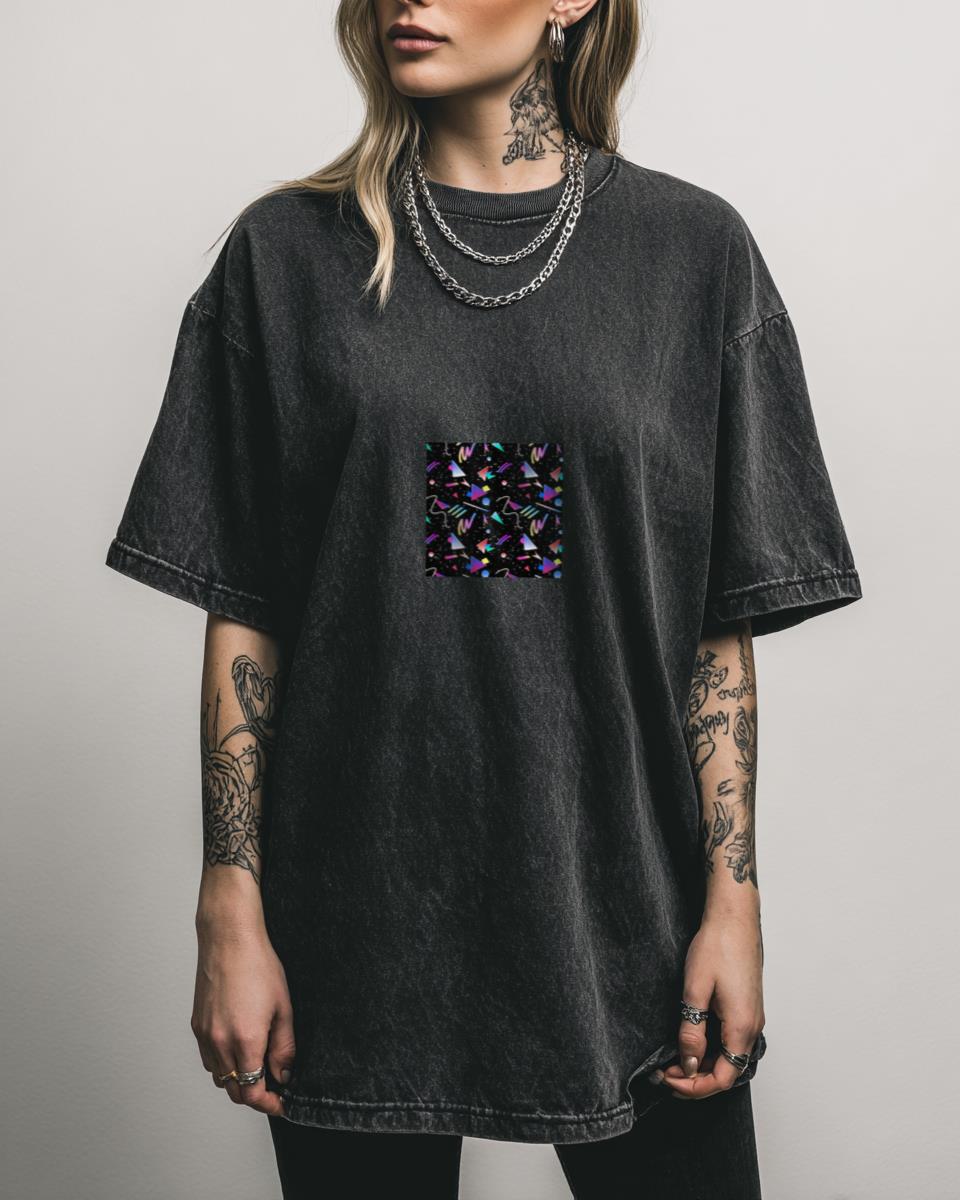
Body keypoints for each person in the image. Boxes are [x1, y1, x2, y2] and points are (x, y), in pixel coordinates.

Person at [104, 1, 863, 1196]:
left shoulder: (690, 255)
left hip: (628, 914)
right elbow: (247, 606)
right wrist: (229, 905)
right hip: (356, 920)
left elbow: (712, 627)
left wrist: (735, 901)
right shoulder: (286, 257)